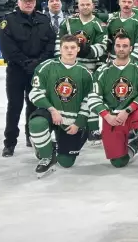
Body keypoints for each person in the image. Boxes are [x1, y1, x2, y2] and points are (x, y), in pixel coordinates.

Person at [89, 34, 138, 172]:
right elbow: (93, 98)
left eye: (125, 46)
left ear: (131, 48)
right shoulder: (102, 70)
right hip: (113, 117)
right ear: (113, 48)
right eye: (118, 46)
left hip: (133, 112)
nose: (121, 49)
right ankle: (136, 144)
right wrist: (106, 116)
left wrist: (128, 110)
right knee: (118, 162)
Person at [0, 0, 56, 157]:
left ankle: (31, 136)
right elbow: (7, 47)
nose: (29, 2)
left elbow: (51, 44)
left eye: (31, 0)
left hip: (38, 71)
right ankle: (9, 143)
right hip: (17, 71)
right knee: (14, 106)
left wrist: (38, 63)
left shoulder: (43, 20)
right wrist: (26, 62)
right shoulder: (8, 21)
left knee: (34, 105)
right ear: (18, 2)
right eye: (25, 0)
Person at [27, 35, 94, 177]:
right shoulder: (46, 67)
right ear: (60, 48)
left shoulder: (86, 73)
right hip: (51, 112)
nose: (69, 51)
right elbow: (35, 93)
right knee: (37, 124)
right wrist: (51, 109)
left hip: (72, 120)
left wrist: (78, 123)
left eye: (73, 48)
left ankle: (53, 145)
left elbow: (88, 101)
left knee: (66, 162)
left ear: (78, 49)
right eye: (66, 47)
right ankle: (47, 155)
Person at [56, 0, 107, 74]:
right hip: (68, 65)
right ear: (78, 7)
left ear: (93, 6)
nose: (85, 7)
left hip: (90, 68)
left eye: (88, 4)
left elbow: (102, 48)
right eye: (82, 5)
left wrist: (79, 50)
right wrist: (60, 63)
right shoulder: (67, 22)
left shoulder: (100, 25)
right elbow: (58, 44)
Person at [105, 0, 138, 65]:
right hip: (112, 63)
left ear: (133, 4)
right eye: (124, 1)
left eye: (129, 2)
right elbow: (106, 43)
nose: (126, 4)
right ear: (119, 2)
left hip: (131, 64)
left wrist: (126, 62)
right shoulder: (111, 20)